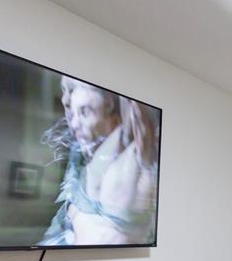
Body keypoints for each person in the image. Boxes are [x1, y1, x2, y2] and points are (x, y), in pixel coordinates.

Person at [40, 77, 160, 246]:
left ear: (109, 108)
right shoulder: (83, 156)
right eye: (72, 112)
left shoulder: (132, 151)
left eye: (85, 112)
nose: (74, 123)